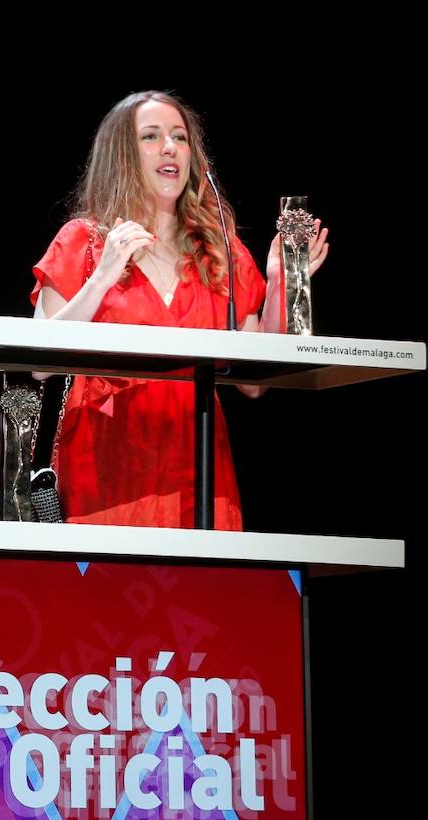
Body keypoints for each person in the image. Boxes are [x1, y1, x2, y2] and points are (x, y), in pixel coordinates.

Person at [31, 90, 329, 531]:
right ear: (122, 156)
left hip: (198, 459)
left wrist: (281, 285)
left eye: (179, 137)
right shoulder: (85, 241)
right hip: (109, 456)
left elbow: (252, 386)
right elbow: (39, 365)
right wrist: (103, 276)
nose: (170, 147)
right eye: (151, 137)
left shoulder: (219, 252)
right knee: (106, 593)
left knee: (197, 593)